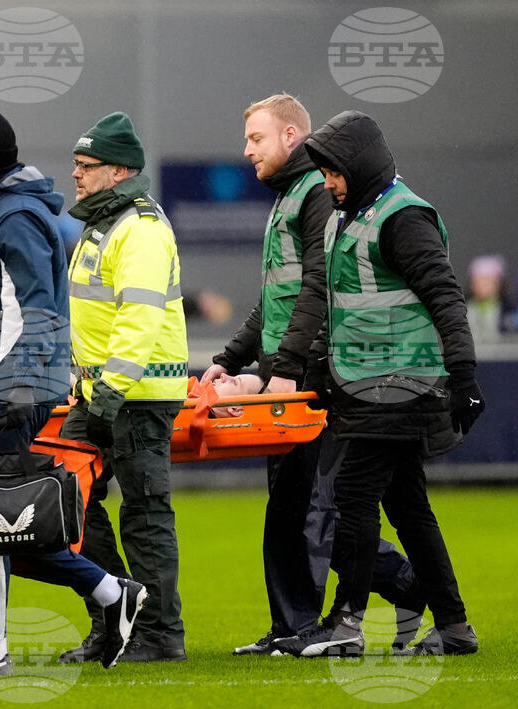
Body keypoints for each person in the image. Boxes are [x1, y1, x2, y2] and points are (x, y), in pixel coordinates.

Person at [0, 109, 145, 678]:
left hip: (14, 388)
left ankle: (3, 644)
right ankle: (105, 595)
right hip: (0, 387)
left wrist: (17, 385)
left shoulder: (14, 214)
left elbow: (38, 305)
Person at [201, 95, 423, 656]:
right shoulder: (290, 197)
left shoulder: (316, 195)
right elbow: (274, 298)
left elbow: (318, 292)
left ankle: (404, 587)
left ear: (291, 136)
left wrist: (289, 369)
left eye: (256, 138)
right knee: (290, 509)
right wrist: (231, 358)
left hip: (315, 378)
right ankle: (293, 626)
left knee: (315, 512)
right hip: (287, 375)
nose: (246, 150)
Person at [276, 110, 484, 657]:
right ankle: (454, 626)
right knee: (408, 508)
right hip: (367, 385)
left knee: (352, 496)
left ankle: (346, 624)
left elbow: (445, 295)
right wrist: (315, 370)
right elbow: (336, 304)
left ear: (359, 165)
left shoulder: (403, 218)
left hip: (401, 384)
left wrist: (464, 373)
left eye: (333, 172)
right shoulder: (346, 217)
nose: (327, 183)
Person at [58, 112, 189, 663]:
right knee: (66, 500)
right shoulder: (105, 223)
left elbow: (139, 319)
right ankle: (117, 616)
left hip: (134, 397)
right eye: (76, 164)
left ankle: (157, 634)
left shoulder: (140, 229)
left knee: (144, 513)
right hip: (104, 393)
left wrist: (107, 391)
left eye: (86, 165)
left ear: (119, 171)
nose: (76, 174)